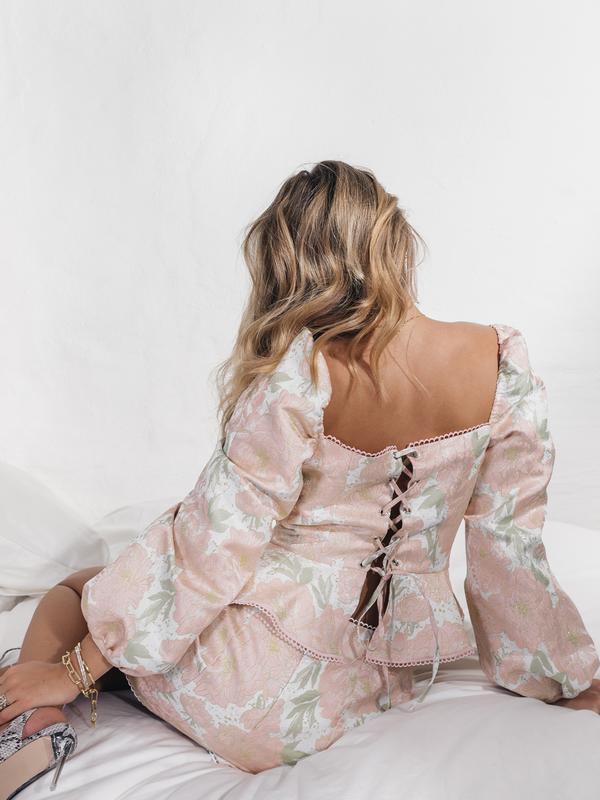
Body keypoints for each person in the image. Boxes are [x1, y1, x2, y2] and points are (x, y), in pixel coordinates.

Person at [1, 160, 599, 795]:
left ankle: (28, 724)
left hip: (239, 690)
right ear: (395, 241)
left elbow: (209, 547)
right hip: (370, 693)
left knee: (81, 588)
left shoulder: (301, 376)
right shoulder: (501, 363)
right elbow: (510, 552)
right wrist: (565, 680)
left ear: (290, 265)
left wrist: (74, 668)